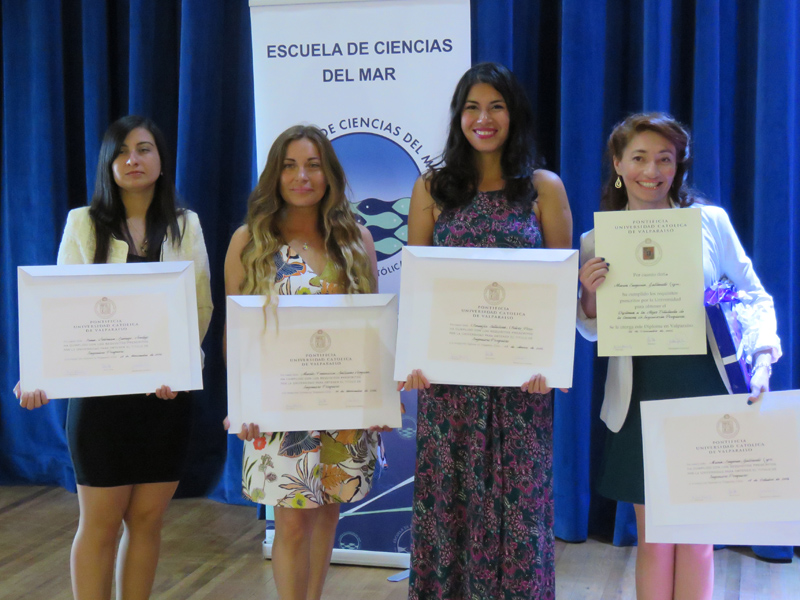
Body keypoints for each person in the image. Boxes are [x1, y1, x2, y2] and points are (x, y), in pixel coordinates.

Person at [577, 112, 781, 600]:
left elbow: (753, 295)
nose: (652, 171)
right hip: (639, 399)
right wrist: (588, 296)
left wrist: (762, 359)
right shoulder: (597, 240)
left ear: (678, 165)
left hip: (703, 388)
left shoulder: (709, 223)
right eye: (639, 158)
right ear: (617, 164)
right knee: (653, 539)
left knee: (696, 540)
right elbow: (592, 330)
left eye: (664, 159)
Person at [15, 115, 213, 599]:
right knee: (100, 523)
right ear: (108, 163)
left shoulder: (185, 225)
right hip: (100, 402)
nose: (133, 159)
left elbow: (200, 307)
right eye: (121, 151)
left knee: (147, 522)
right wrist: (38, 371)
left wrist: (181, 367)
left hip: (166, 398)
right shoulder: (82, 223)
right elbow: (61, 308)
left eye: (144, 149)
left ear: (161, 160)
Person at [400, 62, 573, 599]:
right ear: (459, 117)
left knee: (520, 513)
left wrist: (554, 364)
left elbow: (561, 285)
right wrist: (413, 359)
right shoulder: (431, 188)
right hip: (449, 385)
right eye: (472, 107)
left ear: (513, 114)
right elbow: (418, 285)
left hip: (522, 387)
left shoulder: (543, 188)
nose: (484, 118)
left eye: (496, 106)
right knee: (448, 510)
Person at [223, 124, 389, 600]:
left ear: (329, 174)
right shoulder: (249, 242)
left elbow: (372, 330)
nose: (302, 176)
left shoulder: (357, 240)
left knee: (327, 516)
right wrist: (240, 404)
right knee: (292, 524)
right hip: (277, 408)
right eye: (290, 166)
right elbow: (237, 334)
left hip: (343, 407)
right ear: (275, 176)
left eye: (313, 165)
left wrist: (378, 399)